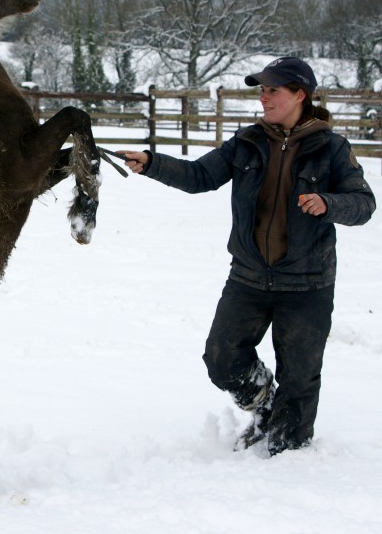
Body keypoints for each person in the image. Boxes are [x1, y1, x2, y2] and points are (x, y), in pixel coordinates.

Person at [119, 57, 376, 455]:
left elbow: (363, 204)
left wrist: (328, 203)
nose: (264, 97)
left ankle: (288, 458)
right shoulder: (247, 142)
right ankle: (264, 405)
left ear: (299, 95)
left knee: (301, 379)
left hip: (307, 283)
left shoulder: (332, 148)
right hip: (249, 278)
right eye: (261, 89)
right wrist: (152, 164)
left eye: (273, 89)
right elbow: (199, 176)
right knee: (221, 359)